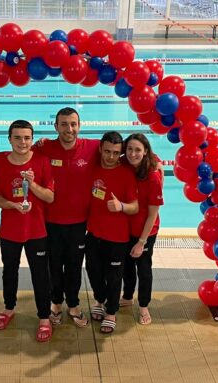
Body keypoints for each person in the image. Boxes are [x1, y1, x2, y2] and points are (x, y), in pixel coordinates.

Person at [33, 107, 99, 328]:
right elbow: (19, 154)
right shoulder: (44, 148)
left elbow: (124, 150)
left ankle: (73, 304)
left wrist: (155, 160)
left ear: (79, 126)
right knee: (53, 265)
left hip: (79, 223)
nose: (69, 129)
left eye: (73, 124)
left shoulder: (92, 147)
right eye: (64, 124)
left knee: (73, 265)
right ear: (56, 127)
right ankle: (55, 303)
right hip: (49, 221)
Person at [0, 120, 55, 342]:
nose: (22, 142)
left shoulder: (42, 161)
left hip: (37, 230)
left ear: (32, 139)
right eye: (17, 137)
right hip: (10, 230)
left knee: (40, 275)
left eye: (27, 137)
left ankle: (44, 318)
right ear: (9, 139)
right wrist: (13, 205)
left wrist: (33, 184)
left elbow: (50, 196)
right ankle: (9, 308)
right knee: (9, 271)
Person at [85, 131, 139, 334]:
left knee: (114, 277)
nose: (110, 157)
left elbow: (135, 206)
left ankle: (111, 312)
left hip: (117, 237)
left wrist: (121, 206)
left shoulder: (126, 174)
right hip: (93, 233)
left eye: (116, 153)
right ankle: (100, 299)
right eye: (107, 151)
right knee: (92, 271)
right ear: (100, 149)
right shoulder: (94, 168)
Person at [119, 133, 164, 326]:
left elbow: (153, 213)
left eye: (138, 150)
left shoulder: (153, 176)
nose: (133, 153)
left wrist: (142, 242)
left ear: (145, 152)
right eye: (129, 149)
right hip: (125, 228)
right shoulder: (123, 165)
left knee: (143, 269)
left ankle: (144, 306)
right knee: (127, 266)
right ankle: (128, 296)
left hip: (146, 231)